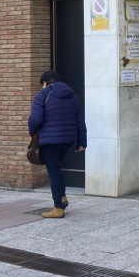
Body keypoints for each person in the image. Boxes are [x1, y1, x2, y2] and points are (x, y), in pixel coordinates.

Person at [28, 70, 87, 218]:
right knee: (57, 168)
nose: (42, 87)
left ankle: (58, 208)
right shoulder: (72, 95)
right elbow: (79, 121)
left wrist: (32, 133)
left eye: (42, 84)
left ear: (45, 82)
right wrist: (82, 141)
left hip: (50, 141)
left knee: (53, 172)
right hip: (67, 140)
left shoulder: (42, 95)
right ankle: (62, 197)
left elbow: (35, 120)